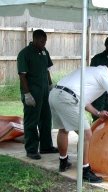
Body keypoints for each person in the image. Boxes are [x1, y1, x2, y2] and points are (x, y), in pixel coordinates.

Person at [49, 58, 108, 183]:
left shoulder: (92, 71)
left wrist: (97, 113)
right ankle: (85, 171)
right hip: (67, 98)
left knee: (63, 130)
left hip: (55, 94)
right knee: (87, 134)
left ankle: (63, 162)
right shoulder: (104, 74)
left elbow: (81, 99)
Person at [17, 29, 58, 160]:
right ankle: (31, 149)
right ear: (34, 39)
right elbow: (22, 75)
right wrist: (27, 94)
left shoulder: (45, 52)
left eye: (45, 41)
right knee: (31, 121)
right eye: (41, 41)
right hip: (32, 93)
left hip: (45, 91)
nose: (44, 43)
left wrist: (50, 85)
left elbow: (47, 70)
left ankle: (46, 146)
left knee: (46, 119)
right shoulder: (25, 53)